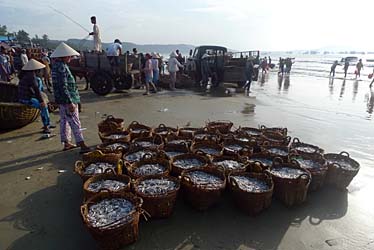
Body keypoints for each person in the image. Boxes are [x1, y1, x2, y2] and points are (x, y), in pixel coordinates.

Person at [51, 42, 90, 153]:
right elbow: (63, 86)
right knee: (74, 121)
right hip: (67, 100)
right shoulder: (61, 67)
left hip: (61, 99)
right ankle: (81, 144)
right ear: (63, 56)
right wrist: (70, 102)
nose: (71, 57)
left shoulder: (56, 66)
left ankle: (66, 143)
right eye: (69, 56)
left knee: (64, 121)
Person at [18, 59, 54, 133]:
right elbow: (36, 90)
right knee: (43, 106)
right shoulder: (31, 76)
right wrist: (41, 101)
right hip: (26, 99)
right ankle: (46, 125)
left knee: (43, 104)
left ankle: (48, 123)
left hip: (26, 96)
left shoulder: (26, 74)